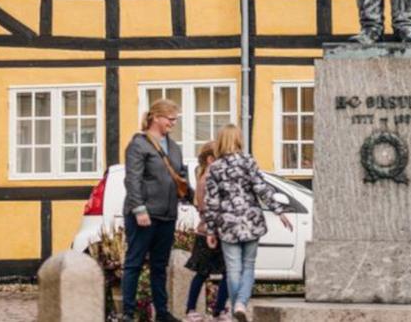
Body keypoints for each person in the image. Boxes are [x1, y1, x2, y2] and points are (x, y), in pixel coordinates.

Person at [203, 126, 291, 322]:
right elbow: (261, 188)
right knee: (248, 266)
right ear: (238, 140)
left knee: (233, 269)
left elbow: (212, 201)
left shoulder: (215, 168)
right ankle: (241, 304)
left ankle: (236, 310)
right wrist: (279, 211)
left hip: (227, 224)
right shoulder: (248, 161)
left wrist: (210, 229)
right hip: (251, 220)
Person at [123, 99, 190, 322]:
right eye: (170, 119)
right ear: (156, 118)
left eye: (175, 119)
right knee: (134, 263)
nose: (173, 123)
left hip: (167, 214)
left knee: (159, 266)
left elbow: (180, 176)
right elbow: (132, 180)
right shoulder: (139, 144)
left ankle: (161, 312)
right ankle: (128, 312)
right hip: (145, 214)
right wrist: (139, 209)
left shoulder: (175, 148)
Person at [183, 142, 230, 321]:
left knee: (226, 271)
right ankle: (191, 309)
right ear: (211, 159)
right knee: (203, 272)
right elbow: (205, 208)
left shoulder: (213, 177)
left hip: (218, 232)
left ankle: (218, 309)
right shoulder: (206, 179)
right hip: (207, 233)